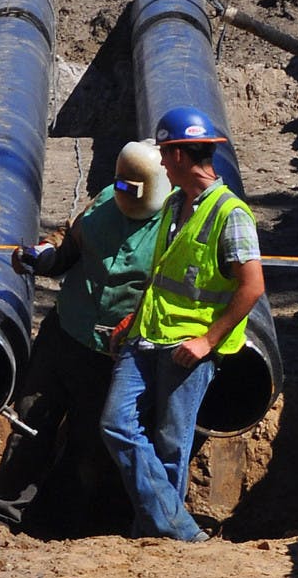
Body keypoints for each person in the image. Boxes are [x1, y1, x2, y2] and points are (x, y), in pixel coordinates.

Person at [0, 139, 171, 537]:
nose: (123, 194)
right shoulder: (104, 200)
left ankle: (78, 529)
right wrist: (42, 256)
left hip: (111, 356)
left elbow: (173, 295)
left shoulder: (174, 228)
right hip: (64, 336)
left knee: (91, 446)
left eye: (132, 189)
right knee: (30, 424)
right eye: (121, 185)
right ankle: (5, 518)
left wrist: (135, 323)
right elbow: (67, 245)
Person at [100, 106, 265, 542]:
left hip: (189, 347)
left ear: (175, 155)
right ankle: (179, 530)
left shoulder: (231, 214)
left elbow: (251, 287)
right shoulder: (175, 203)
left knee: (172, 445)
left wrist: (208, 341)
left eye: (162, 154)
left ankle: (157, 536)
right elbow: (165, 276)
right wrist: (135, 318)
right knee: (116, 424)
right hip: (148, 333)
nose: (160, 163)